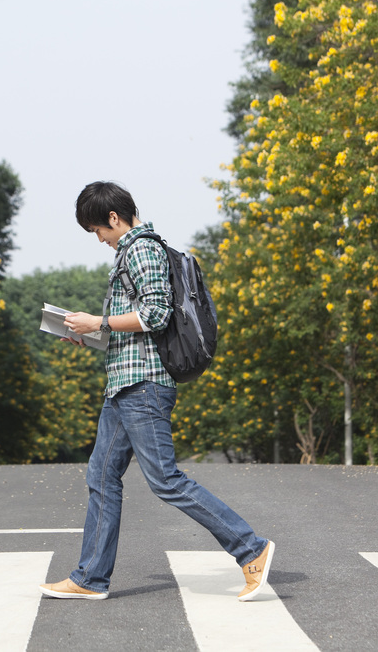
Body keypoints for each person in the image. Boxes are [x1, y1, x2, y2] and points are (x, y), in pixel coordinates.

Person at [38, 181, 274, 602]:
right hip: (123, 385)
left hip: (143, 386)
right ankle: (90, 577)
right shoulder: (129, 252)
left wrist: (100, 322)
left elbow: (156, 313)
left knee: (166, 480)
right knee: (102, 476)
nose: (99, 240)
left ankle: (251, 549)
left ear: (114, 218)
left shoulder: (141, 248)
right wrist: (90, 334)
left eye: (98, 230)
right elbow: (137, 327)